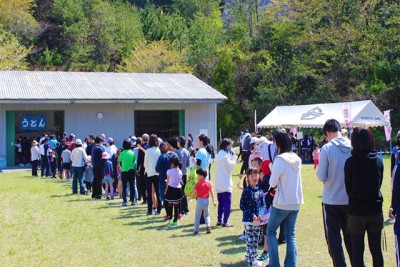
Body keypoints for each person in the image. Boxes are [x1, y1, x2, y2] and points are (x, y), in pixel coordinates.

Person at [344, 128, 383, 267]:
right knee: (376, 250)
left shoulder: (350, 162)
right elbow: (379, 183)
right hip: (375, 209)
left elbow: (348, 188)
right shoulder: (378, 160)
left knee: (357, 252)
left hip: (356, 211)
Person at [316, 119, 353, 267]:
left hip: (331, 200)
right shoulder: (352, 145)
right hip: (350, 200)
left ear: (328, 133)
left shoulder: (327, 148)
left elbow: (321, 176)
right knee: (351, 239)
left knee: (334, 240)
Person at [267, 130, 303, 267]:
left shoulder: (280, 159)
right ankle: (291, 264)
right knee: (290, 236)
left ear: (278, 143)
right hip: (295, 202)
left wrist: (271, 167)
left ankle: (274, 264)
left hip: (281, 202)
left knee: (270, 231)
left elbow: (272, 182)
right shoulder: (296, 158)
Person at [240, 167, 266, 267]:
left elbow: (263, 205)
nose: (254, 177)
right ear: (247, 178)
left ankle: (253, 258)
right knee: (250, 241)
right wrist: (252, 215)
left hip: (258, 221)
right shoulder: (246, 191)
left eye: (256, 175)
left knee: (255, 241)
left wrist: (260, 214)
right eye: (251, 176)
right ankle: (251, 262)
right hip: (248, 221)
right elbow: (242, 206)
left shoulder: (260, 191)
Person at [215, 138, 237, 227]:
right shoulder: (226, 156)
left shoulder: (219, 155)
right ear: (227, 146)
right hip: (226, 183)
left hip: (219, 183)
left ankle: (219, 220)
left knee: (221, 203)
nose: (231, 147)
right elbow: (231, 167)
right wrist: (234, 158)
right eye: (230, 145)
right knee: (227, 203)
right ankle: (225, 221)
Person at [189, 168, 216, 235]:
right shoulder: (208, 183)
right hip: (206, 201)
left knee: (197, 216)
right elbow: (212, 192)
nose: (196, 176)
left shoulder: (198, 184)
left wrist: (190, 198)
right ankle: (208, 226)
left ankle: (196, 230)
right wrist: (214, 201)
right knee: (207, 215)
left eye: (197, 175)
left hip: (200, 200)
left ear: (201, 176)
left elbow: (194, 193)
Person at [144, 134, 161, 215]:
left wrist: (147, 168)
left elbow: (145, 163)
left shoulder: (148, 150)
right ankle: (159, 209)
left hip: (149, 173)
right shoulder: (159, 150)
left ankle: (149, 210)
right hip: (157, 173)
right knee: (158, 192)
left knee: (149, 192)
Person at [164, 156, 184, 226]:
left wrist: (166, 190)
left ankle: (170, 219)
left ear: (172, 163)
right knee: (176, 205)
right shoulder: (180, 171)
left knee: (170, 204)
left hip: (170, 188)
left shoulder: (169, 171)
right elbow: (180, 181)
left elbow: (167, 181)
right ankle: (175, 221)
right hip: (178, 189)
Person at [119, 139, 137, 206]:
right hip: (131, 171)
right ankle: (132, 201)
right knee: (132, 186)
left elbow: (120, 162)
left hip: (124, 171)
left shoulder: (121, 153)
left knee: (124, 186)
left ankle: (124, 201)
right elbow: (134, 162)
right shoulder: (132, 152)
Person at [176, 136, 190, 216]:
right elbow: (188, 164)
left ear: (180, 142)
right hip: (185, 174)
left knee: (180, 193)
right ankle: (186, 209)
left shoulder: (177, 152)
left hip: (179, 175)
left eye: (178, 141)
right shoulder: (187, 152)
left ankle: (181, 211)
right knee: (183, 192)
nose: (177, 142)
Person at [136, 134, 149, 204]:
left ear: (142, 140)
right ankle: (149, 198)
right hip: (149, 167)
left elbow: (139, 159)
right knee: (148, 184)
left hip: (143, 168)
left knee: (142, 184)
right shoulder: (150, 147)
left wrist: (137, 168)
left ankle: (144, 199)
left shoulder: (141, 148)